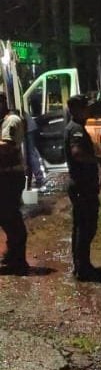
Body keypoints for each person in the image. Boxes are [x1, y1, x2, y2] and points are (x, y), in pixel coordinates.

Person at [65, 95, 101, 281]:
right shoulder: (76, 129)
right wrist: (98, 160)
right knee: (86, 226)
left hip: (81, 184)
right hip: (82, 185)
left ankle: (81, 266)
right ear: (76, 110)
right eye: (86, 107)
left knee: (81, 226)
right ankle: (82, 268)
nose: (89, 110)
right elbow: (77, 154)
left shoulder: (75, 127)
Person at [0, 93, 28, 274]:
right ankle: (12, 254)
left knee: (10, 216)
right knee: (5, 216)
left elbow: (6, 145)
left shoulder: (12, 121)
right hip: (4, 176)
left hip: (11, 177)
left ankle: (18, 258)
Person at [25, 115, 46, 189]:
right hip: (30, 127)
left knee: (31, 153)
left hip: (27, 128)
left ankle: (39, 178)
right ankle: (38, 177)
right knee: (32, 152)